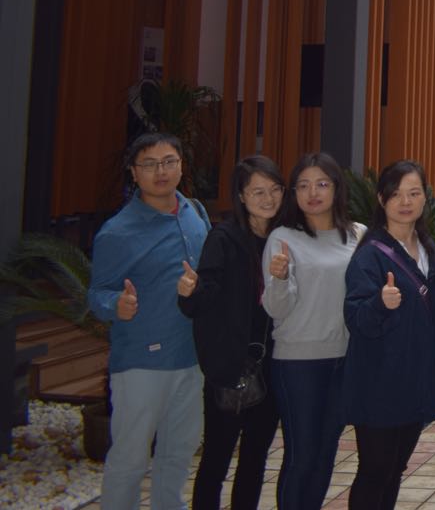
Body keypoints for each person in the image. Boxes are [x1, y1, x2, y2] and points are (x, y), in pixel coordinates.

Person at [89, 132, 211, 510]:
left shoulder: (195, 213)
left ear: (181, 166)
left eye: (169, 162)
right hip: (142, 361)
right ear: (134, 172)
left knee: (179, 451)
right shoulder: (117, 232)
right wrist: (116, 305)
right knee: (130, 457)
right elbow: (97, 293)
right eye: (150, 164)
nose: (161, 171)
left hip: (192, 356)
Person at [342, 159, 435, 509]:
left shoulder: (426, 246)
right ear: (381, 199)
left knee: (395, 469)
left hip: (416, 376)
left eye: (414, 193)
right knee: (375, 469)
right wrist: (380, 302)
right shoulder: (370, 255)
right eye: (395, 194)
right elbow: (356, 317)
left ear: (425, 198)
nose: (405, 202)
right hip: (379, 379)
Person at [177, 155, 285, 510]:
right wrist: (189, 292)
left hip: (272, 367)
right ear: (240, 195)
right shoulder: (224, 238)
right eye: (258, 191)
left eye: (274, 189)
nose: (268, 198)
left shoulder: (284, 238)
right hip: (231, 368)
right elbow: (203, 297)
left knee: (255, 459)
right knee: (217, 458)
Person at [264, 151, 364, 510]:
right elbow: (276, 309)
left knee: (325, 454)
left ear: (336, 188)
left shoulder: (358, 235)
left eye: (322, 184)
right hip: (298, 363)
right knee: (301, 455)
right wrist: (278, 279)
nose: (313, 193)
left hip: (344, 359)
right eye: (303, 185)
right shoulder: (283, 238)